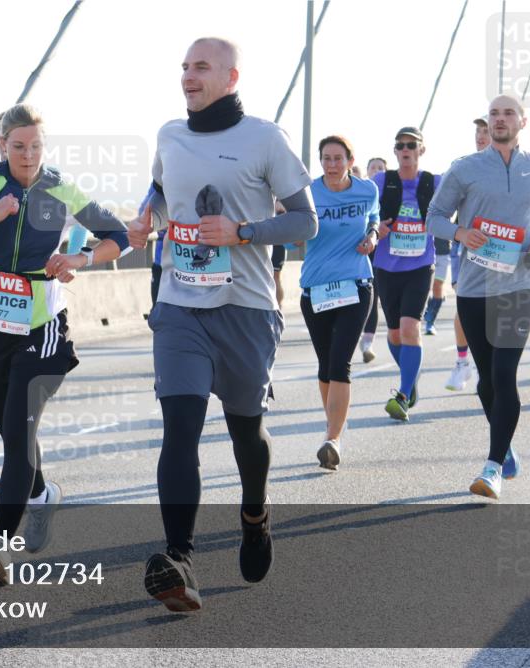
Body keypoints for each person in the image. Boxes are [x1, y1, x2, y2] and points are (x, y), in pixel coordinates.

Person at [129, 37, 317, 612]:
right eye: (185, 67)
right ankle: (179, 559)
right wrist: (146, 217)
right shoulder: (169, 135)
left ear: (231, 77)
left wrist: (244, 233)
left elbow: (304, 221)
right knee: (179, 427)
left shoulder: (265, 138)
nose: (189, 76)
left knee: (245, 434)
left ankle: (254, 515)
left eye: (201, 67)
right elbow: (162, 193)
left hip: (246, 309)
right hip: (180, 304)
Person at [0, 103, 129, 581]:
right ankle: (41, 494)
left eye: (36, 146)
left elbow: (119, 236)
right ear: (2, 145)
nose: (27, 155)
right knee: (10, 429)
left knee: (18, 436)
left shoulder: (59, 188)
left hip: (43, 325)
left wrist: (79, 259)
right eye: (18, 146)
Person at [427, 94, 530, 499]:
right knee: (486, 381)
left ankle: (493, 466)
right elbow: (433, 218)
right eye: (494, 114)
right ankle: (506, 448)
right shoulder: (464, 168)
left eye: (508, 113)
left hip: (520, 285)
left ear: (523, 121)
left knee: (503, 374)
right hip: (474, 288)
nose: (500, 119)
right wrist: (460, 233)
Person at [300, 136, 379, 471]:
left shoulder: (367, 190)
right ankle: (333, 429)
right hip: (316, 289)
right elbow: (291, 228)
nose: (332, 165)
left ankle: (332, 439)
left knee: (340, 363)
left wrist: (372, 236)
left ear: (350, 160)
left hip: (355, 286)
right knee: (325, 365)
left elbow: (374, 219)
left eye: (338, 158)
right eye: (326, 158)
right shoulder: (307, 193)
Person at [372, 127, 440, 421]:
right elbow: (363, 212)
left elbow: (460, 200)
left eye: (411, 145)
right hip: (387, 267)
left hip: (420, 267)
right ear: (395, 151)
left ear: (421, 150)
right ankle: (410, 380)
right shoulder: (381, 181)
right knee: (395, 333)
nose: (405, 150)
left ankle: (402, 394)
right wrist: (374, 228)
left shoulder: (434, 182)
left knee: (410, 328)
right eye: (400, 145)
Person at [445, 117, 491, 391]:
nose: (480, 136)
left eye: (486, 131)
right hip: (466, 251)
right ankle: (462, 363)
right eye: (478, 131)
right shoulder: (461, 167)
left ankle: (488, 368)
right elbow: (443, 211)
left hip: (501, 255)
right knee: (464, 309)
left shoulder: (515, 172)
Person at [359, 157, 388, 362]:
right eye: (373, 167)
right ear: (367, 171)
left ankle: (367, 343)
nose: (377, 171)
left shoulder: (390, 195)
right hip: (357, 252)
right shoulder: (359, 193)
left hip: (380, 253)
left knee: (373, 295)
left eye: (381, 168)